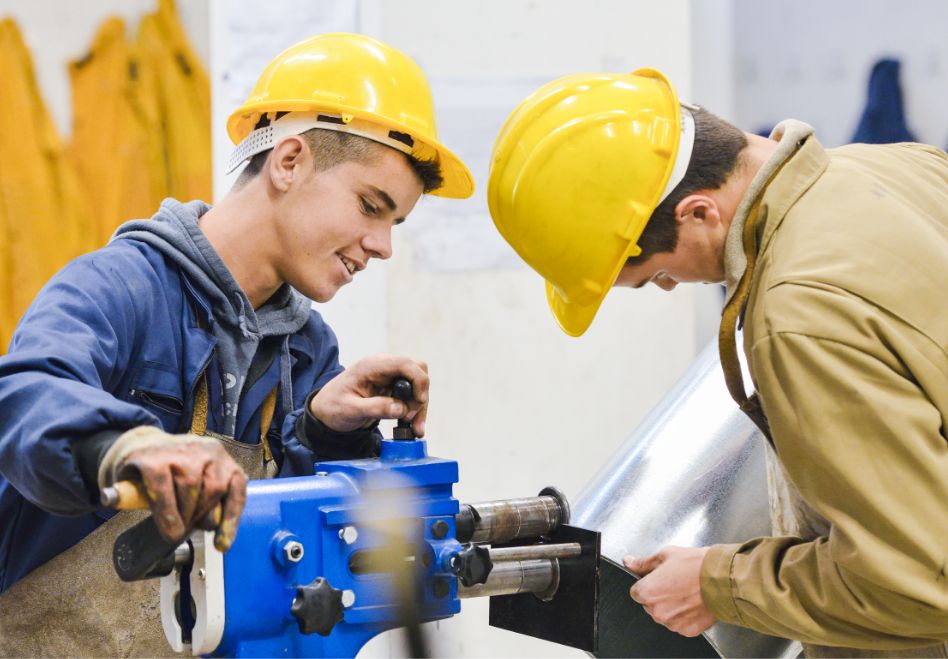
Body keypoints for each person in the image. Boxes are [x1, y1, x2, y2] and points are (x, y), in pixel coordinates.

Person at [0, 33, 473, 656]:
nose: (383, 245)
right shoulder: (120, 287)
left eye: (395, 223)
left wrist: (327, 435)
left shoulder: (307, 353)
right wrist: (128, 450)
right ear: (289, 162)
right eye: (370, 206)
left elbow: (296, 556)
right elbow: (26, 397)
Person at [487, 69, 948, 656]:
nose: (670, 286)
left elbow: (917, 581)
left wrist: (718, 584)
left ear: (698, 212)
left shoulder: (797, 317)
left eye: (656, 273)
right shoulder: (900, 167)